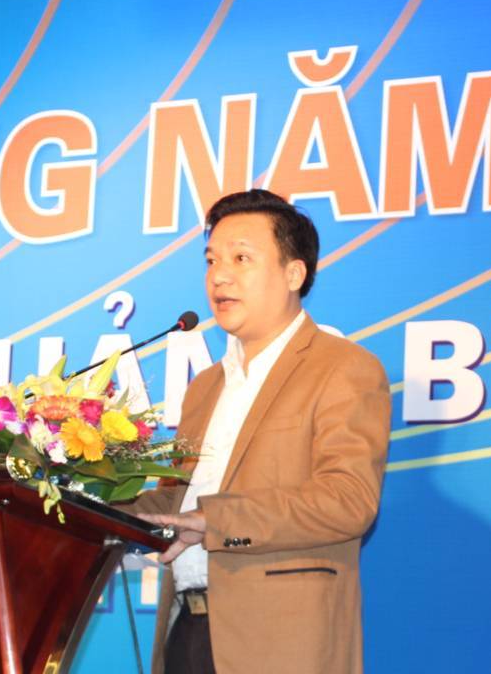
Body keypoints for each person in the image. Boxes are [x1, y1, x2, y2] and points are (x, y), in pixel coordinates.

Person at [131, 189, 392, 674]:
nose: (219, 276)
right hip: (188, 630)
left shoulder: (343, 368)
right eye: (211, 260)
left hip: (281, 643)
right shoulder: (205, 386)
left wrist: (217, 520)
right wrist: (77, 504)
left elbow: (349, 500)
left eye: (241, 258)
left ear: (294, 274)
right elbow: (177, 502)